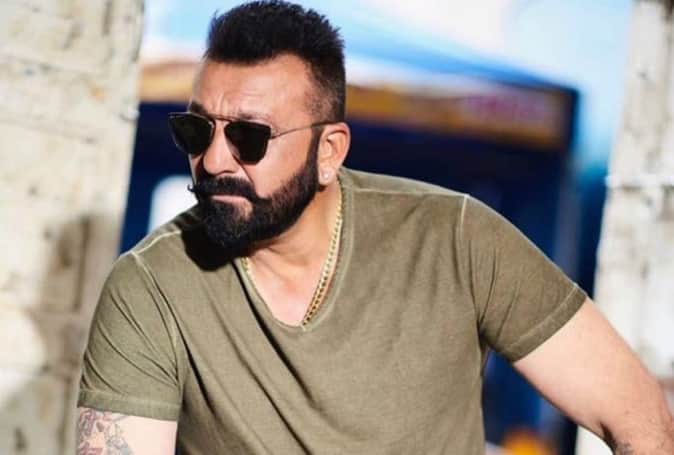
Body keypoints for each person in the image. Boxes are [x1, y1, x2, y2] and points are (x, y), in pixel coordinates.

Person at [76, 1, 674, 454]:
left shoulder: (457, 240)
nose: (212, 160)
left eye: (249, 137)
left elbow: (639, 418)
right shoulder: (150, 286)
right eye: (196, 130)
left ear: (329, 152)